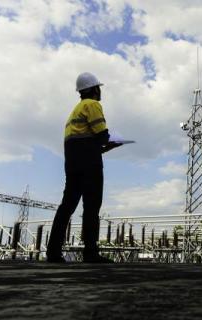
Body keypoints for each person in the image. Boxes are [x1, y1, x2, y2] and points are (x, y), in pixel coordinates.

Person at [46, 72, 122, 263]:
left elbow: (83, 141)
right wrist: (113, 142)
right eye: (99, 88)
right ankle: (90, 253)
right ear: (94, 89)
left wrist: (101, 147)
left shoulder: (74, 111)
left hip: (73, 163)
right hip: (90, 163)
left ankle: (53, 252)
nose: (100, 91)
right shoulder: (93, 105)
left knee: (67, 206)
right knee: (91, 206)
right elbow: (102, 136)